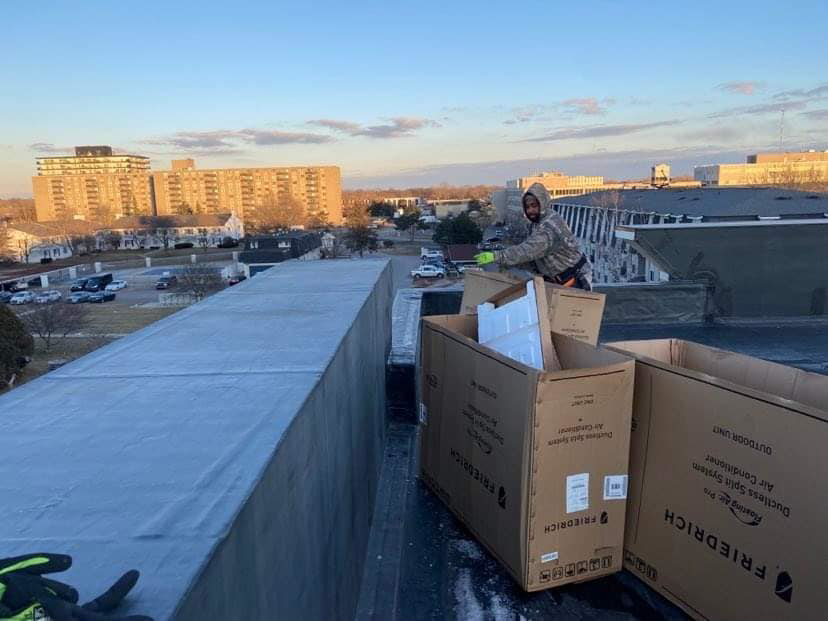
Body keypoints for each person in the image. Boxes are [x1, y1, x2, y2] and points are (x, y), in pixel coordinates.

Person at [475, 182, 592, 290]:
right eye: (527, 207)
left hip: (575, 280)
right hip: (557, 281)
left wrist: (497, 256)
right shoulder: (536, 224)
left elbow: (527, 250)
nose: (530, 210)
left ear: (543, 203)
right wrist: (506, 260)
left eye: (534, 206)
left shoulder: (549, 226)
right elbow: (531, 257)